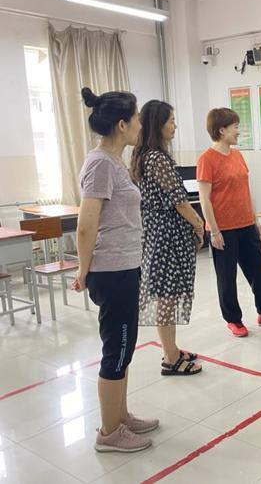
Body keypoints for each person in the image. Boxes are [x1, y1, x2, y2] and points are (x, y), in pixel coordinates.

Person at [71, 87, 157, 453]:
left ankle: (120, 416)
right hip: (112, 270)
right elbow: (86, 224)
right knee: (117, 349)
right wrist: (82, 269)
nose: (140, 124)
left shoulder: (115, 160)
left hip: (125, 266)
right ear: (122, 124)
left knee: (125, 347)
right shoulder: (101, 163)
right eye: (136, 118)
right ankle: (108, 433)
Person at [197, 107, 261, 338]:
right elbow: (204, 200)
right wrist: (215, 231)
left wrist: (254, 218)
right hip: (223, 230)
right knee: (227, 277)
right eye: (236, 127)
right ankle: (234, 320)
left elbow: (245, 190)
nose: (239, 131)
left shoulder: (238, 155)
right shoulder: (207, 159)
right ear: (222, 130)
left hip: (246, 224)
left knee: (259, 268)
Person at [130, 100, 204, 376]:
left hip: (158, 233)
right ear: (157, 125)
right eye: (171, 121)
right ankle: (170, 358)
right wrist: (198, 223)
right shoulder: (156, 158)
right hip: (166, 237)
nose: (174, 126)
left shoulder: (144, 156)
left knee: (168, 295)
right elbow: (179, 200)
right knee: (167, 296)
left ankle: (171, 349)